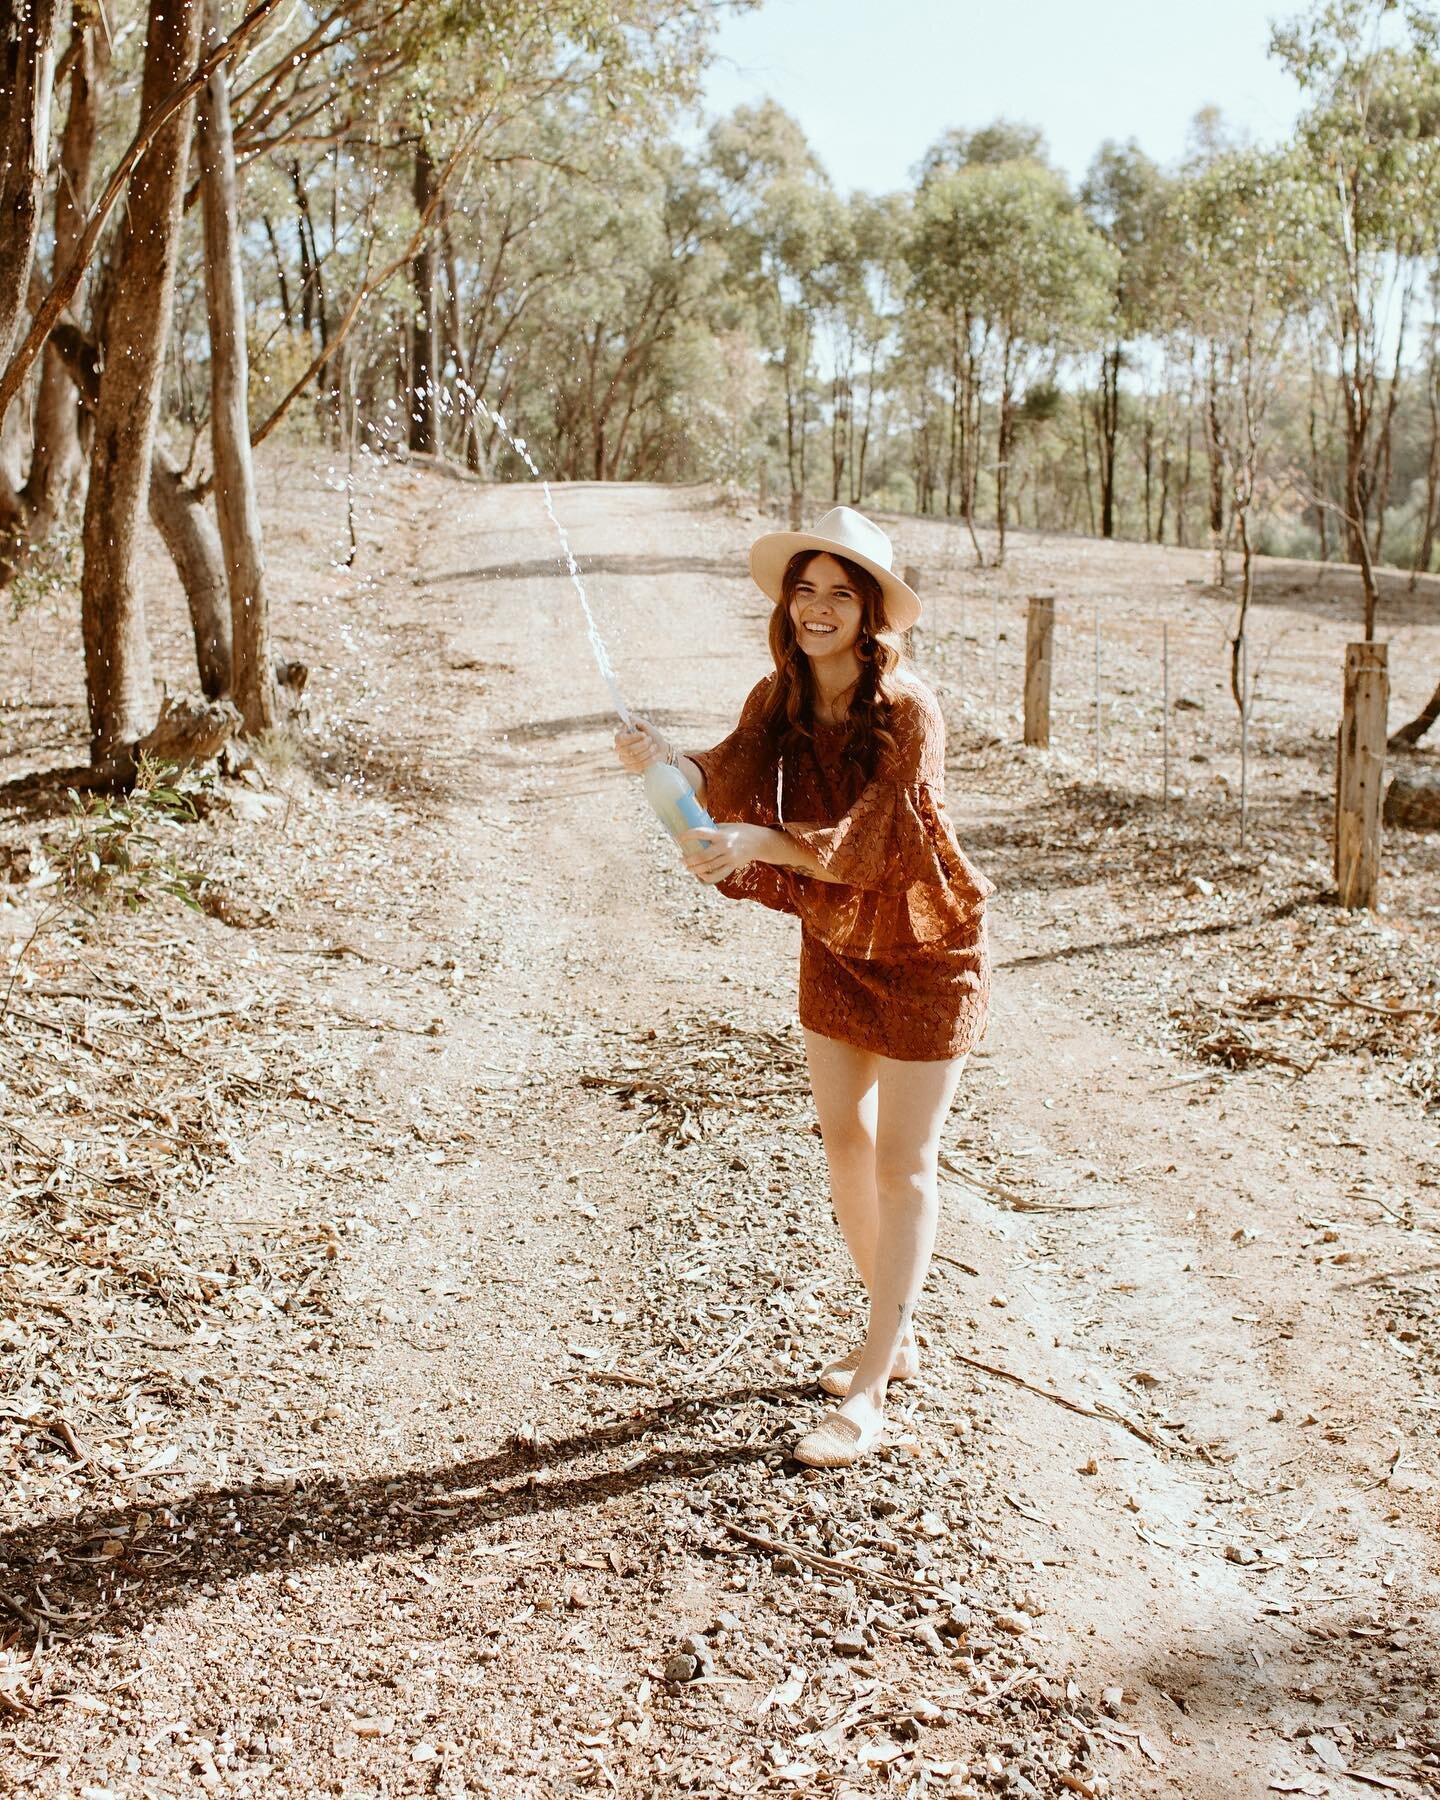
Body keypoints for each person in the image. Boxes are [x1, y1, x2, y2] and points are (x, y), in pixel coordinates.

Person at [614, 507, 993, 1468]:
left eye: (841, 592)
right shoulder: (778, 696)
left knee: (905, 1160)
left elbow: (871, 840)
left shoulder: (908, 711)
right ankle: (891, 1333)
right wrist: (674, 767)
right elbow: (735, 766)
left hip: (923, 942)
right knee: (842, 1139)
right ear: (788, 604)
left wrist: (757, 843)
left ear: (872, 615)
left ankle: (870, 1390)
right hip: (836, 939)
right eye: (805, 588)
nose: (818, 607)